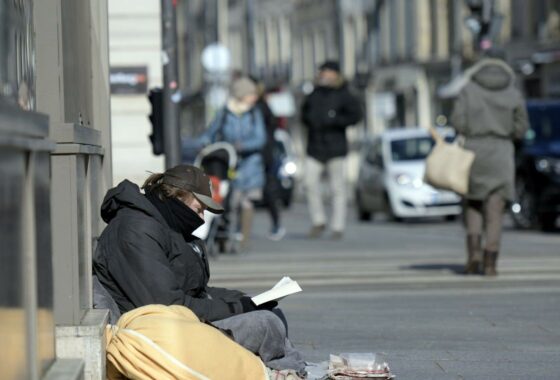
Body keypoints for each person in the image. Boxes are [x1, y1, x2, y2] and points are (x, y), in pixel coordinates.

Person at [93, 165, 305, 373]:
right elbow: (168, 305)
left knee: (270, 312)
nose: (202, 219)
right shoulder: (136, 230)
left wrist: (246, 300)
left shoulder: (167, 228)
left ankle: (288, 369)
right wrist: (238, 308)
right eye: (198, 210)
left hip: (179, 320)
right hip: (160, 332)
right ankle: (284, 371)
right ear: (177, 197)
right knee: (266, 323)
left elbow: (195, 290)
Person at [451, 57, 529, 276]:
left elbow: (458, 121)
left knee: (473, 203)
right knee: (495, 208)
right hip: (501, 152)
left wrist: (472, 131)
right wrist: (507, 134)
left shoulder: (468, 90)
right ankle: (490, 261)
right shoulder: (512, 92)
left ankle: (473, 255)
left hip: (473, 151)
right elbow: (521, 127)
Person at [198, 76, 266, 250]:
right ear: (242, 94)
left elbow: (261, 138)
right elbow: (211, 132)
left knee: (247, 202)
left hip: (250, 164)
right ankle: (227, 235)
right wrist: (206, 144)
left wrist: (243, 146)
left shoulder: (254, 113)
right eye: (251, 94)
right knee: (231, 202)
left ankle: (243, 238)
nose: (254, 98)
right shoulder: (225, 112)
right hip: (228, 163)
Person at [300, 61, 362, 239]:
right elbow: (304, 114)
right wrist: (311, 122)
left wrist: (335, 121)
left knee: (338, 188)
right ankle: (318, 220)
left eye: (328, 73)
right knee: (309, 183)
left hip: (336, 146)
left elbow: (355, 115)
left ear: (335, 74)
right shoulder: (314, 93)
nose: (324, 76)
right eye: (322, 72)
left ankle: (337, 226)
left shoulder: (344, 94)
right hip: (315, 146)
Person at [252, 77, 286, 241]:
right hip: (259, 154)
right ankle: (240, 229)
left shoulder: (260, 107)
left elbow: (273, 127)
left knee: (267, 190)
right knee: (245, 193)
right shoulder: (258, 106)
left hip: (263, 155)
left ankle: (276, 224)